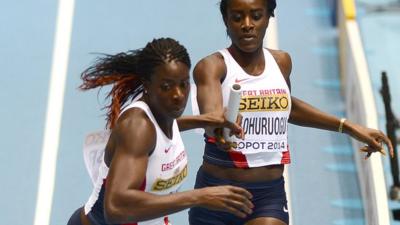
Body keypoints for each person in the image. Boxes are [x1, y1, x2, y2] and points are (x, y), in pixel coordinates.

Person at [188, 0, 394, 225]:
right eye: (237, 17)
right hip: (217, 192)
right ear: (226, 20)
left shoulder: (281, 62)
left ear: (269, 17)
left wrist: (349, 126)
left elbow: (286, 106)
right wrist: (220, 126)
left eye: (256, 15)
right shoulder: (212, 66)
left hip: (268, 195)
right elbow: (211, 114)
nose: (247, 24)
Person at [67, 37, 255, 225]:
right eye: (166, 86)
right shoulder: (136, 128)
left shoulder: (161, 116)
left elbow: (162, 131)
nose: (178, 95)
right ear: (147, 84)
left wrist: (207, 120)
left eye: (183, 84)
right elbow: (116, 208)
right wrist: (200, 197)